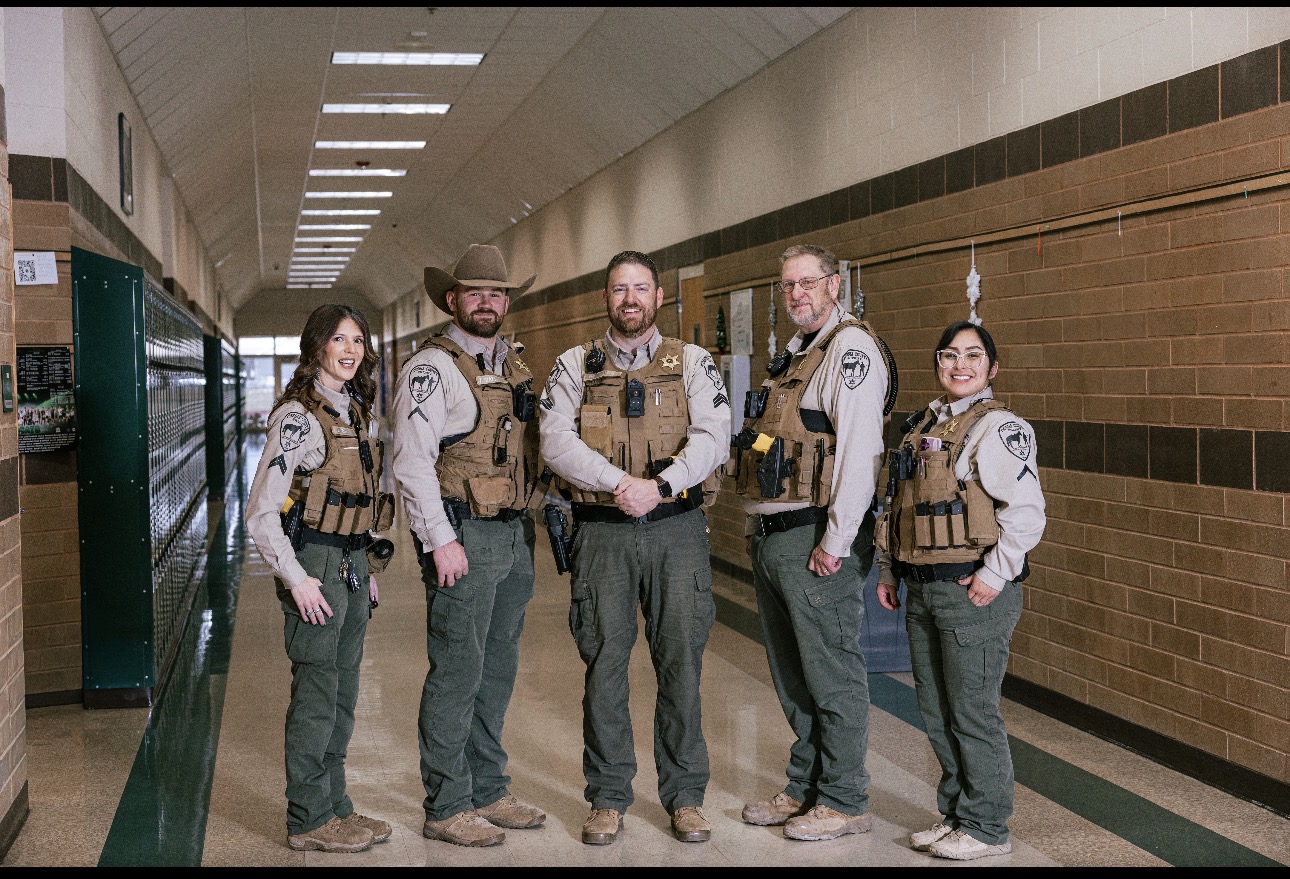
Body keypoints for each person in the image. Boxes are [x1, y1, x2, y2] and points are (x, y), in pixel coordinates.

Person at [538, 250, 730, 845]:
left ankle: (685, 796)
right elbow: (554, 441)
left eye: (641, 288)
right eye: (620, 289)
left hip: (676, 530)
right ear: (605, 298)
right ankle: (608, 796)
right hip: (602, 533)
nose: (630, 300)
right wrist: (620, 482)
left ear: (659, 297)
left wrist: (660, 486)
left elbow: (714, 437)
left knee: (681, 665)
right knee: (604, 667)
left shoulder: (693, 362)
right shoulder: (574, 365)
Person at [733, 243, 894, 841]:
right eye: (788, 285)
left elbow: (859, 453)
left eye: (808, 282)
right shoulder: (798, 353)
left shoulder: (850, 352)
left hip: (815, 537)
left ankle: (845, 798)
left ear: (834, 284)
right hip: (776, 536)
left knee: (831, 672)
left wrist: (837, 541)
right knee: (794, 673)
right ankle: (806, 786)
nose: (796, 293)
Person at [390, 244, 546, 848]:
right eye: (475, 292)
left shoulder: (512, 365)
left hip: (512, 532)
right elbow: (412, 463)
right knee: (457, 670)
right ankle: (447, 804)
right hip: (464, 535)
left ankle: (487, 788)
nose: (487, 302)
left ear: (506, 302)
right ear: (452, 299)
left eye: (496, 293)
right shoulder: (432, 369)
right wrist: (440, 540)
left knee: (497, 668)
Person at [874, 320, 1045, 861]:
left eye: (973, 355)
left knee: (972, 712)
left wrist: (996, 573)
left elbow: (1027, 513)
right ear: (937, 364)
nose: (960, 364)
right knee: (936, 709)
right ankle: (957, 815)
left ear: (993, 368)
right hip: (923, 588)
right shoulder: (923, 425)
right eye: (950, 354)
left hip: (971, 591)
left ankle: (988, 826)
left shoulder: (999, 428)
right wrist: (888, 571)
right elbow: (897, 507)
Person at [245, 304, 395, 853]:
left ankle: (335, 805)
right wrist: (297, 579)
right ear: (317, 348)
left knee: (344, 692)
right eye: (339, 339)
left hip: (351, 566)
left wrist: (367, 564)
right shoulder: (297, 419)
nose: (351, 350)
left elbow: (361, 498)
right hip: (316, 567)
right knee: (316, 693)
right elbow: (262, 512)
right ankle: (309, 818)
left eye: (358, 340)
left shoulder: (355, 410)